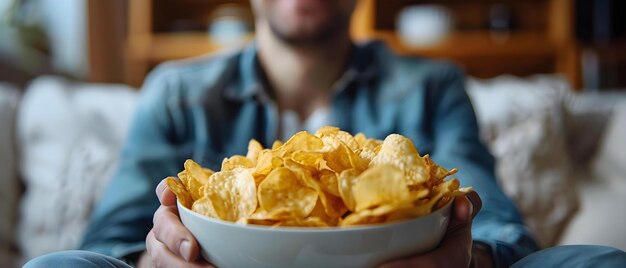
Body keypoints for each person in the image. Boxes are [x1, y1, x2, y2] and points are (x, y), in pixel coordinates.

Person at [26, 0, 626, 267]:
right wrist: (157, 258)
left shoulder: (432, 86)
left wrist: (469, 259)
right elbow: (109, 242)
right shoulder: (176, 93)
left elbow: (499, 227)